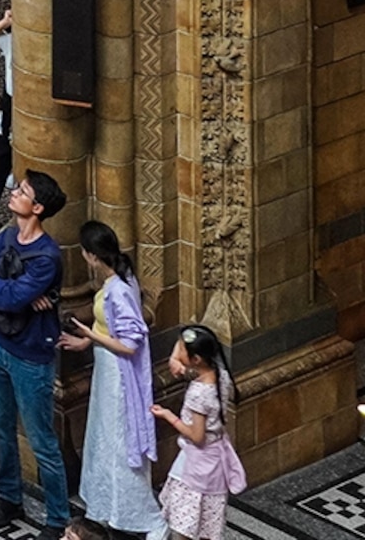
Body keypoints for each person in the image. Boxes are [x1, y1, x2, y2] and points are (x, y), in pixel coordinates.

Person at [59, 221, 160, 534]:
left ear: (90, 256)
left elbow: (130, 344)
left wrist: (91, 334)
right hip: (106, 369)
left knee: (117, 441)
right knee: (103, 437)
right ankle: (106, 507)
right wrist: (86, 341)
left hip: (118, 376)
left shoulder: (118, 289)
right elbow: (112, 327)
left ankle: (135, 513)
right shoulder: (120, 279)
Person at [153, 324, 245, 540]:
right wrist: (178, 362)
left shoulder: (198, 393)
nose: (177, 350)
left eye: (182, 349)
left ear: (196, 360)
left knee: (183, 526)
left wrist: (169, 416)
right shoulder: (220, 375)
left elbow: (197, 436)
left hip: (196, 466)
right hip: (214, 463)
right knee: (206, 525)